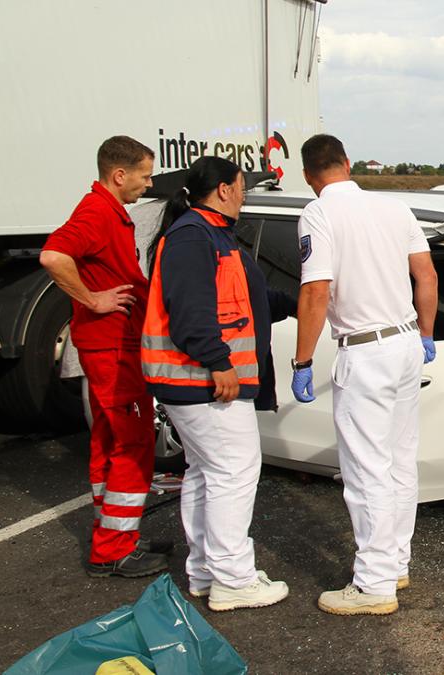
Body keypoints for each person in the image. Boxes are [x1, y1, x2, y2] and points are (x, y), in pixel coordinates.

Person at [290, 134, 438, 616]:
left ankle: (374, 584)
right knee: (399, 461)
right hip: (406, 341)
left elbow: (315, 292)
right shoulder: (395, 208)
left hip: (365, 350)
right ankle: (395, 563)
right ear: (348, 164)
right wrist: (426, 334)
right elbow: (427, 276)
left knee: (365, 470)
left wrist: (303, 360)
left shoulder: (318, 213)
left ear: (310, 176)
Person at [142, 156, 294, 611]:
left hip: (196, 384)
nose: (245, 194)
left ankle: (207, 572)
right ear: (224, 190)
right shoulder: (193, 236)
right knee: (234, 474)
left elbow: (253, 299)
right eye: (243, 186)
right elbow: (190, 312)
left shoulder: (209, 234)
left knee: (208, 474)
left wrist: (304, 301)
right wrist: (219, 363)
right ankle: (233, 579)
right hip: (204, 384)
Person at [40, 136, 172, 578]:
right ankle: (114, 549)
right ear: (119, 175)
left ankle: (115, 533)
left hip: (106, 345)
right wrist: (93, 300)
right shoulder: (97, 212)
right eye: (144, 175)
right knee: (134, 444)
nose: (148, 184)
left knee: (108, 442)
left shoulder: (106, 210)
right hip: (112, 347)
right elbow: (54, 255)